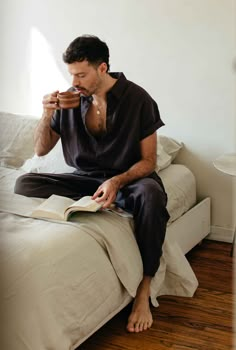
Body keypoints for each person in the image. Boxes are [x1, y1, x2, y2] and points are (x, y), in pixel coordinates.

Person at [14, 35, 170, 333]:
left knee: (151, 196)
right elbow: (40, 150)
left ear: (102, 68)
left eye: (81, 74)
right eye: (71, 73)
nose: (75, 81)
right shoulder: (69, 99)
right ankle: (94, 203)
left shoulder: (138, 99)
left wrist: (117, 180)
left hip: (128, 179)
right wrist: (47, 114)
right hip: (85, 180)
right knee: (24, 183)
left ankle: (144, 289)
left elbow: (149, 161)